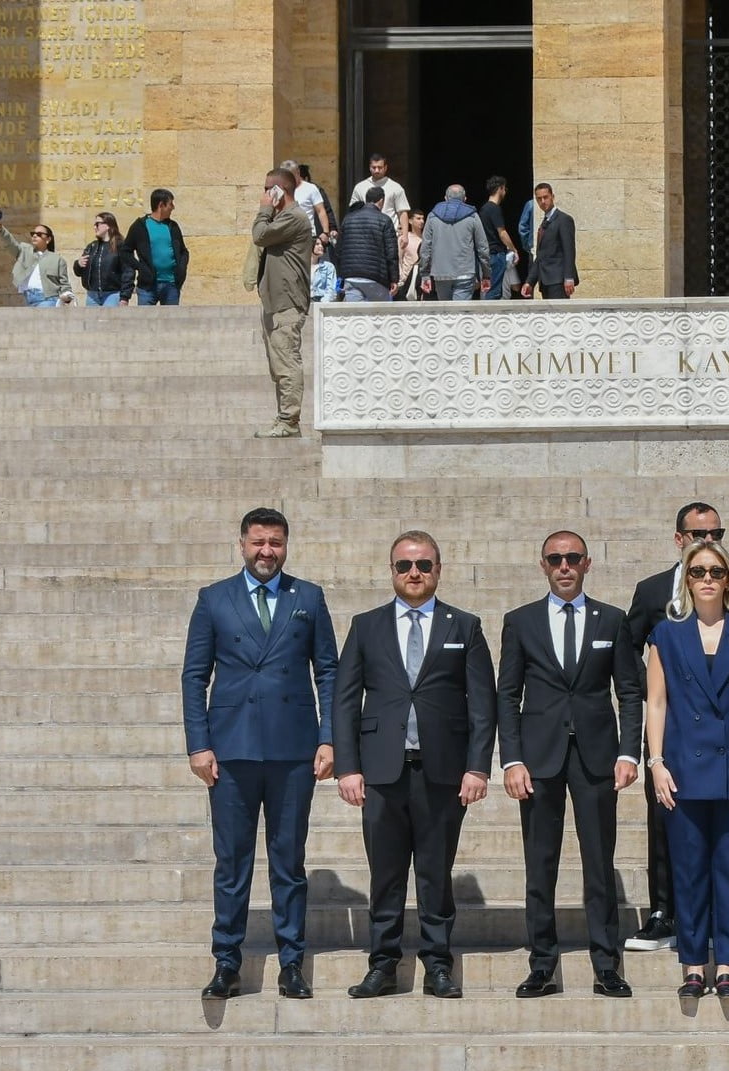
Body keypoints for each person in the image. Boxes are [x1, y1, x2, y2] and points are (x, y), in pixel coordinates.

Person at [180, 507, 339, 1001]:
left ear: (286, 546)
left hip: (293, 750)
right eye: (258, 542)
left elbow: (328, 672)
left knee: (288, 861)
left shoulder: (307, 597)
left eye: (275, 543)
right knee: (232, 862)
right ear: (242, 543)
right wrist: (198, 744)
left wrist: (329, 737)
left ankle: (292, 961)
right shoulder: (213, 599)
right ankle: (227, 960)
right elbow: (193, 675)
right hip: (231, 752)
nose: (266, 551)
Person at [333, 531, 497, 1000]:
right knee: (385, 874)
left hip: (442, 771)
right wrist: (348, 766)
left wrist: (478, 767)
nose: (414, 574)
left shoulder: (463, 626)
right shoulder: (366, 626)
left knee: (434, 871)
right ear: (392, 571)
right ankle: (382, 964)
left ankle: (438, 964)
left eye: (424, 565)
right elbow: (344, 701)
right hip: (382, 771)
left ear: (439, 570)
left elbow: (481, 705)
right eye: (404, 566)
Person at [496, 531, 644, 999]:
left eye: (572, 558)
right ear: (543, 565)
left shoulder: (612, 620)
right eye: (555, 559)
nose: (564, 566)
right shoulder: (520, 622)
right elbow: (507, 694)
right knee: (540, 865)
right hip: (538, 759)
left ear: (587, 563)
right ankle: (542, 965)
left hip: (597, 756)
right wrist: (512, 759)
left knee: (599, 863)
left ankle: (607, 964)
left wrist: (628, 751)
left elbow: (630, 691)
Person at [622, 502, 729, 952]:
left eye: (715, 570)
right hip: (683, 761)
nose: (707, 577)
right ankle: (688, 956)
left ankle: (727, 960)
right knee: (686, 867)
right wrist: (654, 760)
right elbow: (653, 694)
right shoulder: (665, 629)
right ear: (684, 574)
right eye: (697, 571)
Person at [250, 168, 315, 439]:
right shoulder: (285, 217)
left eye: (268, 189)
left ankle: (290, 420)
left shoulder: (295, 218)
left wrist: (265, 211)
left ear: (279, 191)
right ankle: (284, 418)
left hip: (288, 302)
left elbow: (260, 235)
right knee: (279, 364)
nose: (264, 195)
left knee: (287, 363)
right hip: (275, 301)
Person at [419, 185, 490, 301]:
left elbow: (426, 248)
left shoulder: (433, 216)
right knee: (460, 314)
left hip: (440, 273)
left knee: (445, 313)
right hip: (465, 273)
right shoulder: (472, 216)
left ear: (445, 198)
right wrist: (486, 274)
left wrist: (425, 274)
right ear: (465, 199)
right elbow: (483, 248)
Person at [121, 188, 189, 305]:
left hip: (171, 285)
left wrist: (181, 269)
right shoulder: (139, 226)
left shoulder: (173, 226)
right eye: (170, 204)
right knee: (144, 322)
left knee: (171, 322)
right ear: (161, 205)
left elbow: (183, 251)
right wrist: (140, 267)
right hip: (147, 287)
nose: (173, 207)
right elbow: (125, 252)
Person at [0, 215, 71, 307]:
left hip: (48, 299)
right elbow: (11, 243)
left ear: (48, 239)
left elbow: (64, 283)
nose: (35, 236)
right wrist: (1, 229)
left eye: (39, 234)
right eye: (33, 233)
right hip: (27, 298)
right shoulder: (24, 251)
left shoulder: (57, 260)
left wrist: (67, 297)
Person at [338, 185, 400, 302]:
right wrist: (394, 279)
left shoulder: (348, 219)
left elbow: (339, 250)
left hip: (351, 277)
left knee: (356, 317)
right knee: (380, 316)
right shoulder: (385, 220)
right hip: (376, 278)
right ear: (381, 200)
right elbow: (391, 253)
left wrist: (341, 274)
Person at [520, 181, 579, 299]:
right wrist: (530, 281)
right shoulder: (544, 222)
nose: (542, 201)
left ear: (552, 197)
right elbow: (541, 256)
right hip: (545, 281)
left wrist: (568, 277)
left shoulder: (563, 220)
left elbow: (569, 251)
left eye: (545, 197)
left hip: (559, 281)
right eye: (539, 199)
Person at [347, 153, 411, 253]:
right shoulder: (360, 187)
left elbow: (402, 212)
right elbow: (353, 211)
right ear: (369, 168)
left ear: (385, 168)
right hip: (365, 236)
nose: (377, 170)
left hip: (389, 236)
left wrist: (405, 235)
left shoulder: (396, 187)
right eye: (374, 167)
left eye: (380, 167)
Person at [73, 213, 131, 307]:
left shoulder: (121, 246)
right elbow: (78, 272)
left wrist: (124, 297)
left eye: (97, 224)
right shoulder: (92, 246)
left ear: (108, 225)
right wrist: (78, 264)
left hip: (112, 294)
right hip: (92, 295)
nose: (94, 227)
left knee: (108, 321)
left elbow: (128, 272)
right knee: (92, 321)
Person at [479, 176, 521, 300]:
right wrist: (514, 249)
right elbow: (502, 233)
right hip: (496, 255)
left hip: (486, 254)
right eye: (504, 189)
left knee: (489, 290)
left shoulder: (484, 209)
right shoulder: (494, 208)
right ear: (500, 189)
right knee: (494, 292)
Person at [281, 159, 333, 238]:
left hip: (307, 235)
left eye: (291, 176)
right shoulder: (280, 189)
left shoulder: (311, 188)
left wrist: (326, 232)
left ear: (298, 173)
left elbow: (321, 210)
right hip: (286, 235)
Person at [399, 211, 426, 301]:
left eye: (423, 218)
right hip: (406, 281)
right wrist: (401, 277)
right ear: (410, 221)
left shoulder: (427, 239)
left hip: (422, 281)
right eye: (418, 218)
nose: (422, 221)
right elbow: (398, 259)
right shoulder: (404, 239)